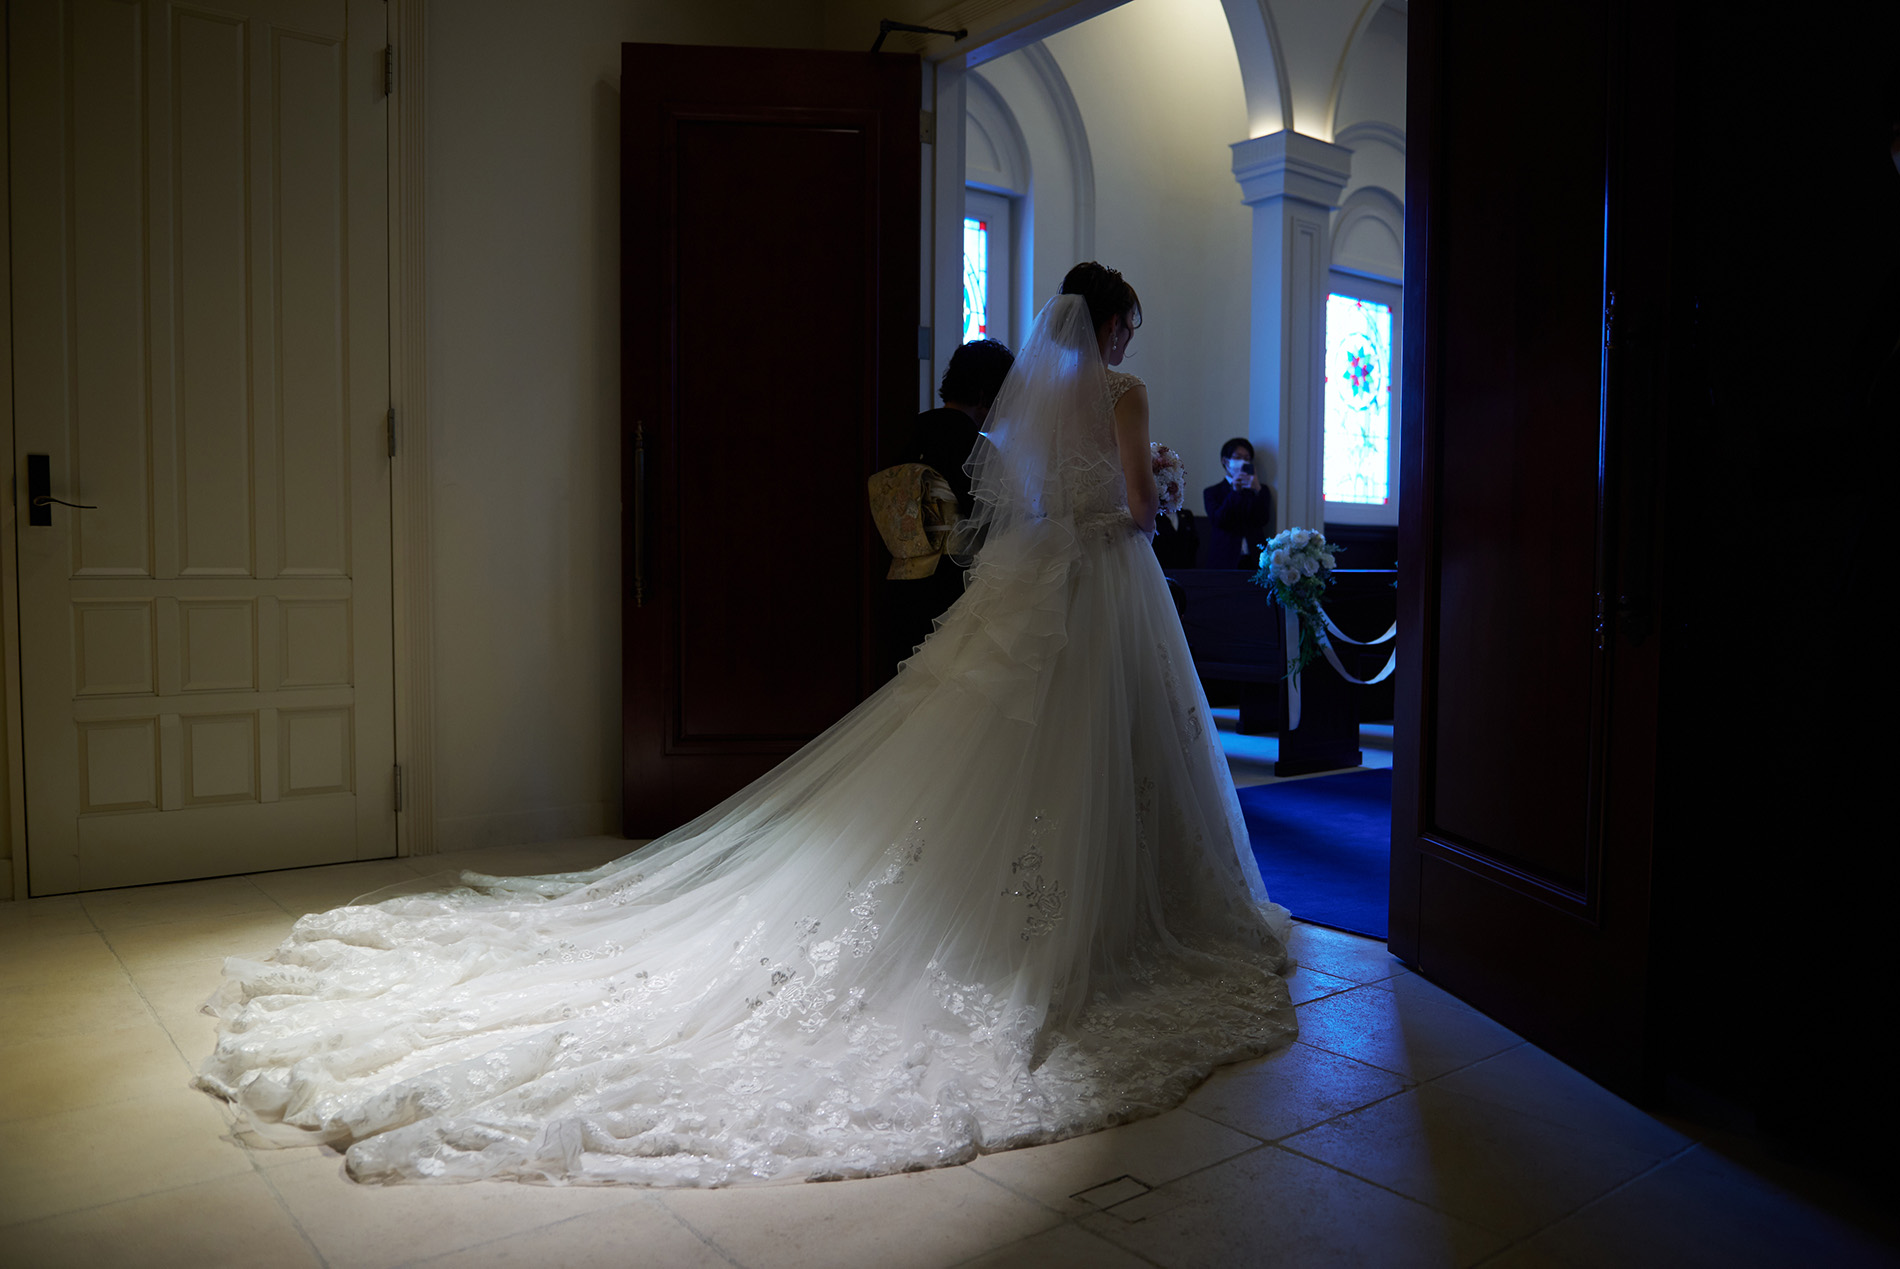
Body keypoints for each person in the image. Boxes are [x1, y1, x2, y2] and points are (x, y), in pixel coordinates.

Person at [195, 263, 1296, 1188]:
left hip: (1038, 588)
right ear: (1112, 327)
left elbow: (1024, 505)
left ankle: (1022, 907)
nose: (1127, 342)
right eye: (1127, 326)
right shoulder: (1122, 391)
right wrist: (1159, 488)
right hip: (1099, 591)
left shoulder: (1034, 402)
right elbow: (1135, 512)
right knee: (1091, 756)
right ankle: (1092, 919)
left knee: (1019, 753)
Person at [883, 339, 1014, 675]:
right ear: (985, 395)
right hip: (951, 595)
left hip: (895, 590)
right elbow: (996, 529)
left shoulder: (905, 431)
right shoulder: (975, 451)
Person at [1202, 437, 1274, 569]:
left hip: (1255, 560)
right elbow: (1219, 520)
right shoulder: (1212, 492)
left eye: (1247, 458)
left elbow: (1263, 519)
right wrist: (1235, 491)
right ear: (1225, 461)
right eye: (1238, 457)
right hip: (1224, 560)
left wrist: (1257, 489)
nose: (1243, 462)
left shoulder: (1259, 490)